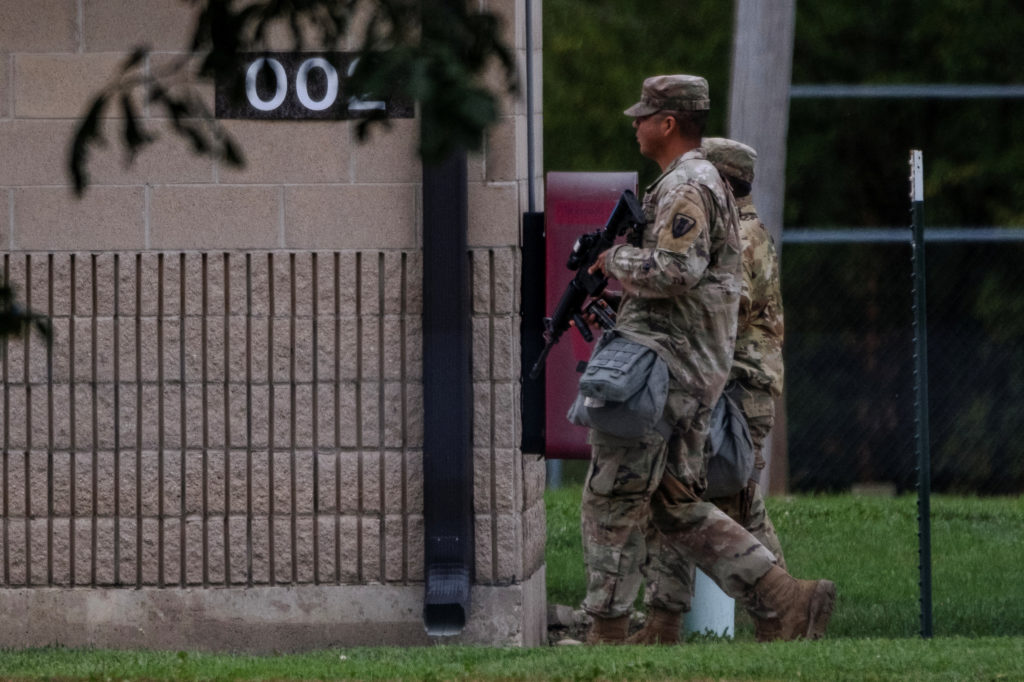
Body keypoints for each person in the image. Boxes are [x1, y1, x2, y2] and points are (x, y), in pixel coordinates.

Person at [580, 74, 835, 645]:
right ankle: (784, 601)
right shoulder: (699, 184)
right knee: (675, 503)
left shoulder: (687, 186)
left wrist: (615, 260)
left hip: (668, 371)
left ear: (668, 123)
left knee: (613, 495)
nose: (635, 124)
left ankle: (608, 631)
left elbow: (678, 270)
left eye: (644, 115)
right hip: (691, 372)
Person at [630, 137, 795, 644]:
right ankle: (675, 619)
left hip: (737, 389)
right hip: (734, 387)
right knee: (699, 499)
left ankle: (783, 610)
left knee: (700, 500)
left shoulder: (738, 237)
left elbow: (720, 308)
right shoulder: (744, 230)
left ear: (719, 181)